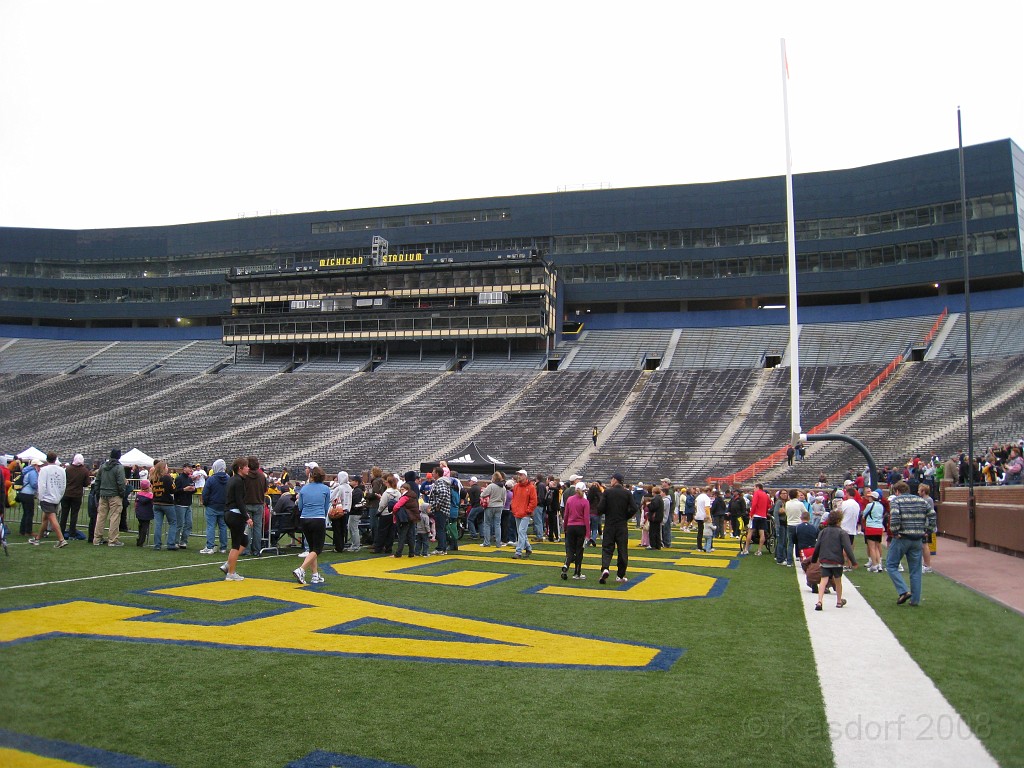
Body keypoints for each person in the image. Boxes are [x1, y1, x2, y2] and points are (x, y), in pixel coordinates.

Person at [885, 480, 936, 606]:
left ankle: (903, 591)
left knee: (891, 565)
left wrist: (895, 532)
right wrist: (928, 531)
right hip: (917, 538)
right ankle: (915, 600)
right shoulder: (921, 501)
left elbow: (895, 517)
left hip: (902, 537)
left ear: (897, 491)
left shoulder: (896, 501)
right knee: (915, 570)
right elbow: (932, 515)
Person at [811, 509, 858, 610]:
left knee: (823, 580)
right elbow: (848, 548)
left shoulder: (823, 532)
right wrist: (853, 562)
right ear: (839, 520)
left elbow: (817, 546)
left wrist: (814, 559)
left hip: (825, 560)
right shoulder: (842, 533)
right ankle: (839, 601)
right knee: (838, 581)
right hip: (837, 561)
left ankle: (819, 601)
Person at [597, 473, 638, 584]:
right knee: (622, 550)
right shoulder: (627, 493)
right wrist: (626, 516)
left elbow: (600, 508)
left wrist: (606, 511)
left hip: (609, 524)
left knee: (607, 548)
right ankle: (620, 575)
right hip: (621, 525)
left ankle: (605, 568)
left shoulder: (607, 492)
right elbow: (634, 508)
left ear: (615, 480)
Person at [293, 465, 330, 585]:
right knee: (317, 549)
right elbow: (326, 507)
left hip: (305, 519)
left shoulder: (304, 489)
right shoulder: (325, 489)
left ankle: (315, 574)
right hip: (318, 518)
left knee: (312, 548)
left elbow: (300, 506)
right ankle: (301, 569)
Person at [220, 458, 252, 581]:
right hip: (235, 514)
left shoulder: (233, 479)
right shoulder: (238, 481)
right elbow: (239, 501)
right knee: (236, 545)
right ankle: (231, 573)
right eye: (246, 466)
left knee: (244, 541)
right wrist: (247, 517)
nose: (248, 468)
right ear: (240, 468)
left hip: (229, 513)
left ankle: (228, 564)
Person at [28, 451, 68, 549]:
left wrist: (41, 497)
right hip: (56, 497)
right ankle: (38, 538)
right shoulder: (62, 470)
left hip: (47, 498)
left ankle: (61, 539)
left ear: (47, 460)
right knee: (45, 519)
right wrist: (60, 495)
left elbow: (42, 485)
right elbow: (63, 485)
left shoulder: (44, 470)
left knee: (52, 519)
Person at [93, 449, 127, 547]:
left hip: (103, 494)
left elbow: (97, 480)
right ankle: (113, 540)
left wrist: (98, 492)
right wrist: (122, 493)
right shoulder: (119, 467)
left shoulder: (103, 466)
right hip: (114, 495)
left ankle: (97, 539)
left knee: (101, 517)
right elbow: (121, 482)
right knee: (114, 517)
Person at [561, 481, 590, 580]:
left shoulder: (569, 499)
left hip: (570, 526)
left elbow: (566, 515)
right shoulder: (585, 502)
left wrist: (565, 527)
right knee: (579, 551)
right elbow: (586, 518)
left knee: (570, 549)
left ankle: (566, 565)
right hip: (581, 527)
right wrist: (588, 533)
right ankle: (577, 573)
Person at [200, 459, 230, 554]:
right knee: (223, 527)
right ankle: (223, 547)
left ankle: (210, 546)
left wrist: (206, 503)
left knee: (211, 527)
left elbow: (205, 493)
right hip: (224, 506)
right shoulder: (229, 478)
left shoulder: (211, 479)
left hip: (212, 505)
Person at [242, 456, 268, 556]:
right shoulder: (262, 476)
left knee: (247, 528)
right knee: (257, 528)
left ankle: (246, 549)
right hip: (259, 503)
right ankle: (257, 549)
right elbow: (265, 489)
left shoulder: (245, 476)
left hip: (247, 503)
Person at [60, 453, 90, 540]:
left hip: (66, 493)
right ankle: (72, 533)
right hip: (77, 495)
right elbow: (86, 483)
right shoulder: (84, 471)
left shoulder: (68, 469)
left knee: (64, 514)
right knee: (74, 515)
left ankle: (61, 532)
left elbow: (64, 480)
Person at [150, 460, 178, 550]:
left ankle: (157, 545)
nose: (167, 468)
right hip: (167, 503)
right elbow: (173, 490)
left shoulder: (153, 478)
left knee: (158, 525)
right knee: (173, 523)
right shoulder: (167, 478)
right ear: (163, 468)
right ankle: (170, 543)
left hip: (156, 503)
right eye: (166, 467)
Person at [511, 469, 537, 559]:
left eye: (521, 475)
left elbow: (534, 501)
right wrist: (514, 508)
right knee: (521, 532)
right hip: (517, 512)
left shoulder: (531, 487)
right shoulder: (516, 487)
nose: (519, 476)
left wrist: (529, 510)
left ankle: (518, 552)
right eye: (518, 475)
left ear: (525, 476)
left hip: (525, 513)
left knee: (521, 532)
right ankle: (528, 548)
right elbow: (514, 498)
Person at [740, 483, 770, 556]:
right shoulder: (765, 495)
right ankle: (759, 550)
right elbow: (768, 505)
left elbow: (754, 504)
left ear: (757, 487)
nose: (754, 489)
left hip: (756, 515)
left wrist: (751, 514)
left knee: (750, 531)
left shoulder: (757, 493)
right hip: (763, 516)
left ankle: (746, 549)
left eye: (754, 487)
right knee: (762, 533)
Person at [392, 479, 420, 558]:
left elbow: (396, 506)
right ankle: (411, 552)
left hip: (406, 518)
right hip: (412, 518)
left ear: (406, 489)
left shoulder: (405, 497)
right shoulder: (413, 496)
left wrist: (394, 512)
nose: (401, 491)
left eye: (402, 489)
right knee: (410, 535)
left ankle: (398, 553)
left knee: (402, 535)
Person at [374, 475, 400, 554]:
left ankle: (379, 548)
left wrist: (379, 511)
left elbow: (382, 504)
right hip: (394, 514)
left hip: (385, 513)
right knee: (391, 532)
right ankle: (389, 548)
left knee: (382, 531)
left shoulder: (386, 492)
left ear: (388, 483)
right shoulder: (398, 492)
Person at [861, 490, 886, 572]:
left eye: (870, 497)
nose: (868, 498)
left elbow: (864, 515)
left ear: (873, 498)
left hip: (871, 527)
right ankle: (879, 564)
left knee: (872, 548)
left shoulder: (870, 505)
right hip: (879, 527)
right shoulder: (881, 506)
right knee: (877, 547)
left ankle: (874, 565)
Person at [173, 463, 196, 549]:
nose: (191, 469)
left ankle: (183, 541)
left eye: (191, 468)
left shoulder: (190, 479)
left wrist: (193, 489)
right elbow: (175, 491)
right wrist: (184, 489)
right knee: (179, 524)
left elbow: (193, 489)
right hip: (180, 504)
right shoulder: (179, 479)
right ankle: (175, 541)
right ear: (184, 468)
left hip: (188, 504)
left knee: (189, 524)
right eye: (189, 467)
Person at [480, 472, 505, 548]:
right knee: (497, 525)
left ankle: (487, 542)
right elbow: (504, 498)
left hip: (490, 506)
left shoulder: (491, 486)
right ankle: (498, 543)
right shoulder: (503, 487)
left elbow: (483, 494)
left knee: (487, 524)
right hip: (499, 506)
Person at [18, 458, 39, 537]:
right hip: (28, 494)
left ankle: (22, 530)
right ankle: (28, 531)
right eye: (38, 465)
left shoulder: (27, 471)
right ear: (35, 465)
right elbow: (34, 484)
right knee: (29, 513)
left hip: (23, 493)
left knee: (26, 513)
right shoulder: (33, 472)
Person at [135, 478, 154, 546]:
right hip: (147, 513)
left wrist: (136, 510)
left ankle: (139, 539)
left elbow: (136, 503)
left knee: (141, 525)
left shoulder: (138, 494)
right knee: (145, 527)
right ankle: (141, 541)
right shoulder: (151, 495)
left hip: (139, 512)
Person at [693, 485, 712, 552]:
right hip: (704, 517)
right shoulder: (706, 498)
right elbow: (707, 508)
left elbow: (695, 506)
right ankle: (709, 546)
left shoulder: (698, 497)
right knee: (709, 532)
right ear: (708, 491)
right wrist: (709, 517)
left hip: (698, 515)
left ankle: (699, 547)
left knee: (700, 532)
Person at [647, 485, 665, 550]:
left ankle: (653, 545)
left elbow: (653, 508)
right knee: (657, 532)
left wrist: (648, 505)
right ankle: (658, 545)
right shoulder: (660, 498)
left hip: (654, 518)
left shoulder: (656, 499)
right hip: (658, 517)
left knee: (652, 532)